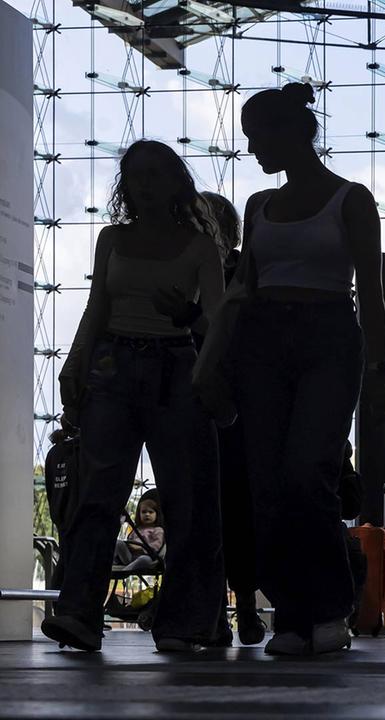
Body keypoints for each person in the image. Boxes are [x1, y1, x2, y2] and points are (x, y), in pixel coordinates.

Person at [205, 82, 385, 656]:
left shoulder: (350, 199)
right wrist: (220, 357)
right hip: (264, 342)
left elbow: (370, 289)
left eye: (259, 138)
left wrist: (379, 365)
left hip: (328, 338)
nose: (255, 151)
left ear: (292, 133)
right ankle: (292, 611)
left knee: (307, 474)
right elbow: (243, 289)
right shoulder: (260, 206)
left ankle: (328, 605)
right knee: (269, 483)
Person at [42, 140, 226, 653]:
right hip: (127, 369)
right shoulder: (115, 240)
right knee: (106, 495)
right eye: (135, 175)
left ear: (173, 183)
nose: (143, 185)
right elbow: (95, 305)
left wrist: (185, 317)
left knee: (171, 499)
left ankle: (115, 613)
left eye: (152, 174)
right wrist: (75, 366)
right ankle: (87, 613)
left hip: (164, 368)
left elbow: (216, 319)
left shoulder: (198, 248)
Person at [154, 191, 264, 646]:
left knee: (213, 511)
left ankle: (216, 612)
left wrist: (191, 318)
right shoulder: (237, 272)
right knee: (229, 512)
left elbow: (228, 337)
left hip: (217, 406)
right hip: (227, 408)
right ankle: (236, 610)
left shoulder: (220, 278)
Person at [112, 497, 165, 573]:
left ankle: (123, 571)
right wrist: (129, 545)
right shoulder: (136, 529)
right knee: (118, 543)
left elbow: (156, 547)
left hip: (147, 558)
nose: (147, 514)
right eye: (144, 512)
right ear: (139, 514)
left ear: (157, 515)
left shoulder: (158, 530)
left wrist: (140, 548)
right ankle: (113, 563)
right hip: (129, 557)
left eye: (151, 512)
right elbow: (129, 541)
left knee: (144, 559)